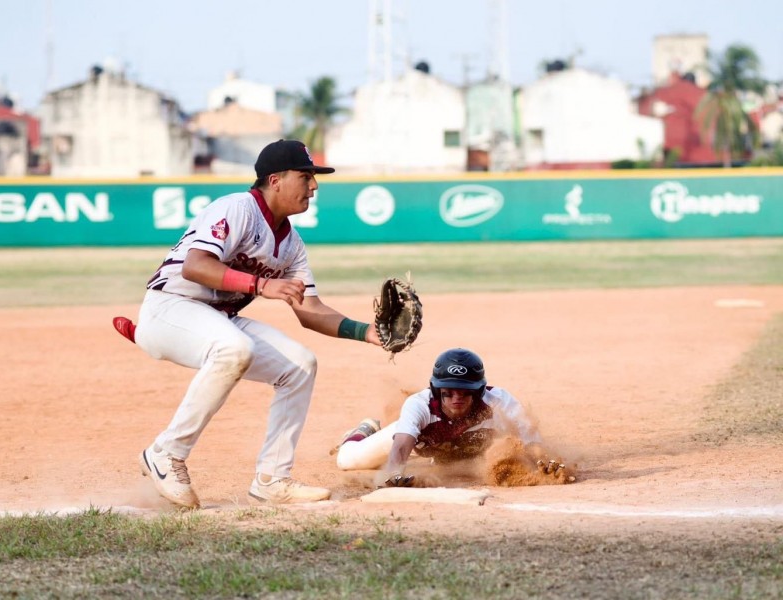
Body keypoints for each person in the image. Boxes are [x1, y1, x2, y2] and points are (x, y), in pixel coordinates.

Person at [112, 139, 381, 508]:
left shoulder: (292, 244)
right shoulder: (236, 208)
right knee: (235, 347)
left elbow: (309, 309)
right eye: (306, 177)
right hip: (169, 307)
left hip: (216, 319)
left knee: (300, 365)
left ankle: (272, 479)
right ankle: (166, 453)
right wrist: (261, 284)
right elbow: (196, 266)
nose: (314, 186)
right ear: (275, 180)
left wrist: (365, 332)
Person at [335, 348, 574, 487]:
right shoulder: (419, 405)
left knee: (459, 463)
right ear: (437, 390)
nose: (456, 397)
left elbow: (531, 441)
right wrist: (394, 473)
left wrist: (543, 460)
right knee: (348, 461)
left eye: (464, 390)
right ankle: (366, 428)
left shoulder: (500, 403)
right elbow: (400, 448)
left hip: (457, 450)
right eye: (448, 390)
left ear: (479, 390)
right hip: (417, 440)